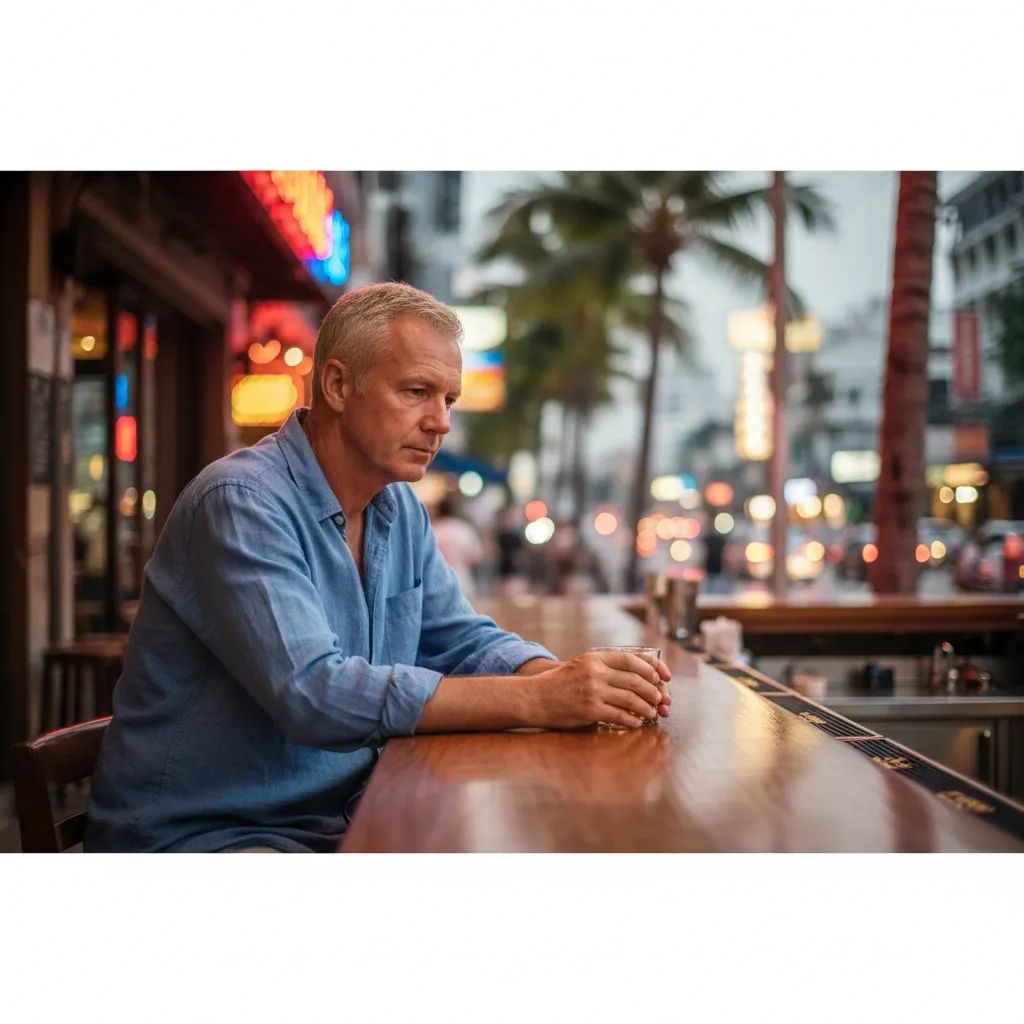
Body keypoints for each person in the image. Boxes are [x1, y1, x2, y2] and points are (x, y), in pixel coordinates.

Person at [85, 283, 671, 853]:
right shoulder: (241, 501)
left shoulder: (398, 508)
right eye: (417, 392)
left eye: (449, 400)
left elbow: (457, 639)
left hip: (338, 816)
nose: (440, 422)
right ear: (338, 384)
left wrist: (566, 680)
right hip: (207, 836)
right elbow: (313, 693)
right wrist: (543, 701)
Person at [431, 493, 485, 596]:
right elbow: (476, 558)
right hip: (464, 583)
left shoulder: (433, 529)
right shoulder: (463, 529)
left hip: (438, 585)